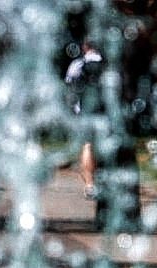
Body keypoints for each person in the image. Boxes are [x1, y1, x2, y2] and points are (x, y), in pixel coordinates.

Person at [64, 40, 103, 198]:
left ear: (84, 47)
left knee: (87, 146)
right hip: (106, 112)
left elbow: (69, 88)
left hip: (85, 111)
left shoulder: (78, 65)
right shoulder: (109, 64)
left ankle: (89, 185)